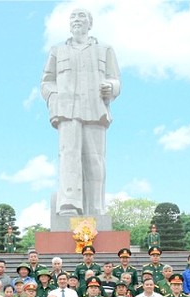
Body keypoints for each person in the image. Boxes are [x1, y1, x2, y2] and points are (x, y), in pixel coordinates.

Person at [41, 7, 120, 216]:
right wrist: (55, 98)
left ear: (89, 23)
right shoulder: (58, 50)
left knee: (95, 159)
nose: (77, 20)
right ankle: (69, 204)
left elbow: (115, 79)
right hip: (67, 110)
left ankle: (96, 208)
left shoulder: (104, 49)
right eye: (73, 17)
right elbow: (47, 82)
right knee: (69, 155)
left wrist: (111, 88)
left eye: (81, 16)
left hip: (95, 108)